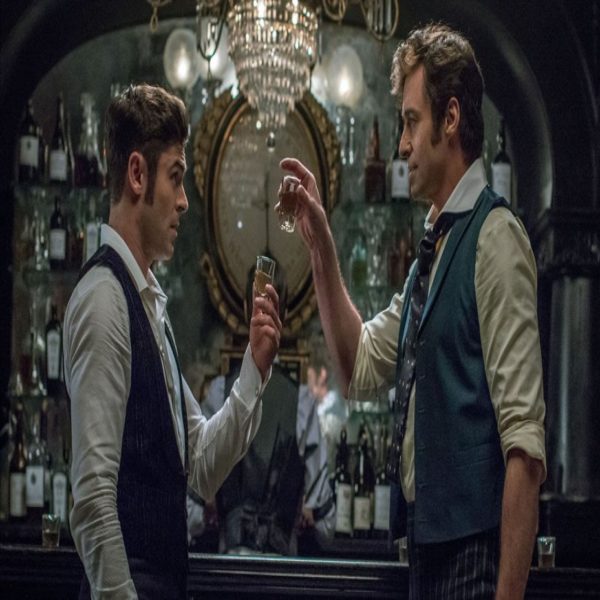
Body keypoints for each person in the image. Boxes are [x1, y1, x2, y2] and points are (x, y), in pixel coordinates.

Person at [279, 23, 546, 599]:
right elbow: (357, 366)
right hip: (426, 551)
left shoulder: (495, 236)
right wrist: (320, 246)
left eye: (410, 121)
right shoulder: (435, 249)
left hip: (475, 553)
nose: (401, 146)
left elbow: (525, 448)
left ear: (450, 119)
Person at [63, 84, 282, 599]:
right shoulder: (104, 300)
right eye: (176, 177)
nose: (184, 201)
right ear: (137, 174)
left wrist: (254, 368)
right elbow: (92, 498)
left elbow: (199, 465)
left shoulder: (145, 303)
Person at [187, 263, 335, 556]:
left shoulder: (218, 392)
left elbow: (190, 512)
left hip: (228, 568)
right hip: (282, 573)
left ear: (244, 309)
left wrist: (213, 508)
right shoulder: (302, 401)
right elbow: (326, 523)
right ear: (286, 313)